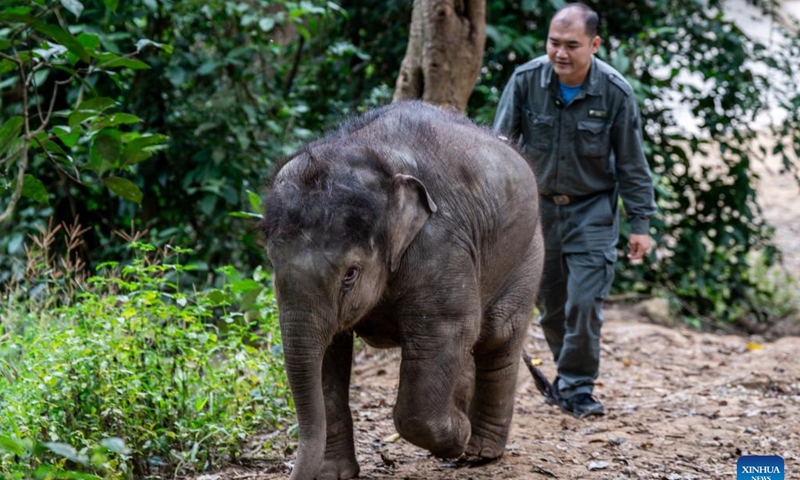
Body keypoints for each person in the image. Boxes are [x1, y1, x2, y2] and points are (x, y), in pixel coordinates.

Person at [493, 2, 657, 418]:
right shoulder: (526, 80)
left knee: (583, 304)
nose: (560, 53)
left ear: (594, 44)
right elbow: (499, 149)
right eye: (554, 43)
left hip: (592, 211)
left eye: (572, 45)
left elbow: (632, 163)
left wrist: (641, 223)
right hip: (537, 213)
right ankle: (567, 380)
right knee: (552, 307)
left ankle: (577, 387)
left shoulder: (615, 91)